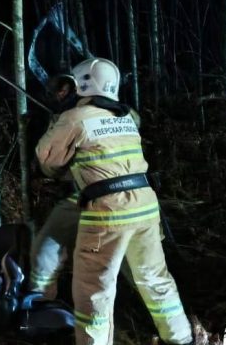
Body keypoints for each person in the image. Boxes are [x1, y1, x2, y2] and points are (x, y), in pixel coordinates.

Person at [35, 57, 198, 345]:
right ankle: (183, 339)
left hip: (107, 213)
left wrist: (57, 122)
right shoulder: (125, 118)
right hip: (146, 207)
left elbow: (48, 162)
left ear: (81, 84)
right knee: (156, 281)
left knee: (94, 290)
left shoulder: (73, 118)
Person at [28, 74, 80, 298]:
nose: (58, 94)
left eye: (62, 90)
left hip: (85, 193)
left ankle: (44, 301)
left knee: (51, 250)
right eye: (57, 90)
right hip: (71, 192)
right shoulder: (62, 116)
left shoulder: (75, 117)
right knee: (54, 251)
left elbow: (49, 161)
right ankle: (47, 303)